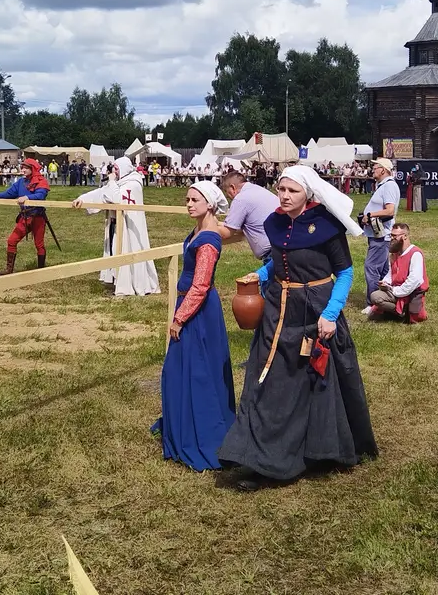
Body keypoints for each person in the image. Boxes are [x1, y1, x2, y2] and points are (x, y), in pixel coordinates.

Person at [217, 165, 376, 491]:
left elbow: (345, 273)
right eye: (281, 190)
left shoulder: (327, 227)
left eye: (292, 191)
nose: (285, 196)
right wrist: (259, 276)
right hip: (278, 309)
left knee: (312, 380)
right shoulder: (275, 223)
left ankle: (318, 450)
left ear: (307, 194)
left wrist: (331, 314)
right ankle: (260, 456)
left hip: (316, 309)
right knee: (270, 379)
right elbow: (279, 260)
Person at [152, 182, 236, 472]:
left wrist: (179, 318)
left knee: (193, 370)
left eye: (194, 199)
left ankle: (202, 431)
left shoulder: (209, 238)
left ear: (209, 203)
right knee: (183, 369)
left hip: (197, 311)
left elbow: (200, 285)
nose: (188, 204)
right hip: (192, 306)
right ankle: (183, 422)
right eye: (187, 199)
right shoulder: (203, 228)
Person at [73, 157, 161, 296]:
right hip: (115, 223)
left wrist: (112, 181)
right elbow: (101, 192)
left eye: (117, 168)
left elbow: (117, 199)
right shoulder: (119, 183)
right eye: (114, 168)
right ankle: (118, 280)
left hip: (128, 226)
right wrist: (82, 199)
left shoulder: (133, 184)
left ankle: (130, 283)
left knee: (127, 250)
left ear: (124, 168)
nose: (114, 171)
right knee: (115, 250)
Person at [0, 158, 51, 274]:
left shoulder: (42, 181)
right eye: (23, 167)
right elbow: (8, 194)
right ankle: (9, 270)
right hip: (25, 217)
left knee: (39, 244)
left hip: (38, 217)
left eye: (26, 168)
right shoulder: (21, 182)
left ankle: (41, 271)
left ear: (32, 169)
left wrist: (27, 197)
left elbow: (40, 195)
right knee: (12, 240)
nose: (23, 170)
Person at [360, 158, 399, 315]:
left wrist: (369, 215)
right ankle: (385, 299)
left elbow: (389, 210)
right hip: (378, 234)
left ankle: (373, 304)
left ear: (383, 170)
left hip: (381, 236)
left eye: (375, 167)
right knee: (383, 270)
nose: (372, 169)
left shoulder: (388, 186)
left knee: (371, 267)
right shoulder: (384, 186)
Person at [368, 223, 428, 323]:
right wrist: (385, 283)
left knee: (415, 316)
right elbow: (390, 274)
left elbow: (415, 280)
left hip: (411, 292)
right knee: (375, 297)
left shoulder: (415, 253)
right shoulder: (394, 254)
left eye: (395, 236)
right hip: (396, 290)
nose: (392, 238)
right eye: (391, 235)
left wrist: (396, 291)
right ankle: (397, 312)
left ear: (405, 236)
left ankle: (402, 311)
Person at [217, 170, 279, 261]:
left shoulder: (240, 198)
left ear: (232, 187)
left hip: (272, 254)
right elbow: (234, 225)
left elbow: (227, 232)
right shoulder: (258, 190)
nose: (229, 197)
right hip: (281, 246)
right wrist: (217, 223)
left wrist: (204, 229)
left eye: (227, 192)